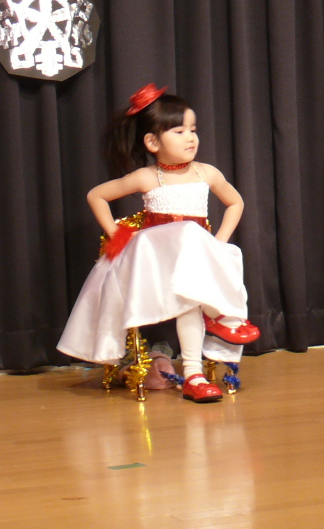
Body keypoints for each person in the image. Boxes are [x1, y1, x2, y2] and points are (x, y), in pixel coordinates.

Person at [59, 84, 258, 403]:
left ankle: (194, 373)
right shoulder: (148, 177)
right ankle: (219, 315)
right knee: (190, 244)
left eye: (193, 129)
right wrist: (116, 233)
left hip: (190, 265)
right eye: (179, 131)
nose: (190, 137)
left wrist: (218, 244)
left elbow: (236, 202)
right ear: (153, 142)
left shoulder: (206, 173)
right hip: (155, 264)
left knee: (202, 279)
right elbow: (96, 195)